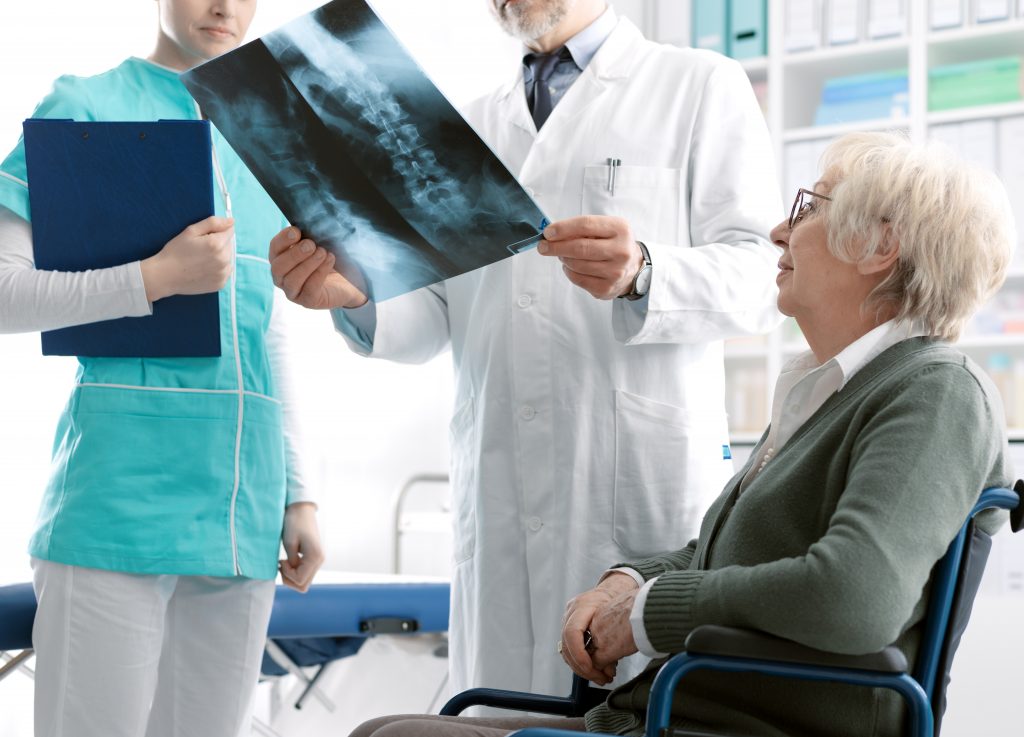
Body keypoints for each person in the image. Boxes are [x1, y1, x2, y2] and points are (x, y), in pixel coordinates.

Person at [345, 130, 1016, 737]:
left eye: (809, 207)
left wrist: (647, 611)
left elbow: (852, 597)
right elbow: (723, 552)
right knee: (384, 729)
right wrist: (626, 580)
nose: (780, 231)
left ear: (881, 247)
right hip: (675, 713)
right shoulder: (824, 389)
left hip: (739, 725)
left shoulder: (935, 392)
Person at [269, 0, 783, 697]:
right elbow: (437, 314)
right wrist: (357, 294)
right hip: (500, 490)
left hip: (633, 491)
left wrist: (646, 272)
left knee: (635, 706)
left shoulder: (696, 86)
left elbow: (760, 272)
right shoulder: (471, 123)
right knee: (499, 710)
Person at [0, 1, 324, 735]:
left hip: (242, 503)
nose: (224, 7)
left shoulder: (269, 129)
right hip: (117, 501)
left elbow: (264, 326)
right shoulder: (84, 105)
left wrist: (299, 492)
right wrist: (153, 277)